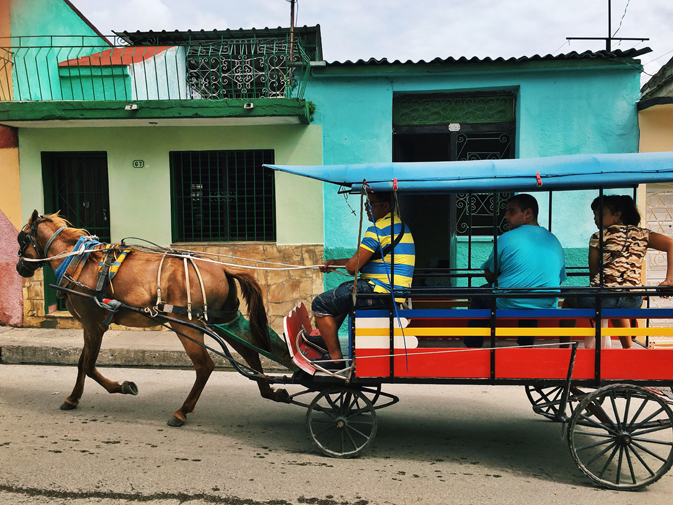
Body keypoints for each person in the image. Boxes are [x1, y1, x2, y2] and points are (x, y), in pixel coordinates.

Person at [312, 191, 415, 364]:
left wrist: (345, 265)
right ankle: (327, 341)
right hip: (392, 292)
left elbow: (353, 268)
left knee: (320, 303)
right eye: (366, 205)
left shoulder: (379, 229)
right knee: (342, 298)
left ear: (385, 206)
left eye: (371, 205)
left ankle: (335, 360)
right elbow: (359, 261)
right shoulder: (399, 226)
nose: (367, 209)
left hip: (379, 291)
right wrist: (334, 263)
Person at [561, 195, 673, 349]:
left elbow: (593, 273)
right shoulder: (644, 234)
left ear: (617, 215)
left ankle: (564, 349)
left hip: (604, 299)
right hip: (634, 300)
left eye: (601, 213)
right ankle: (627, 349)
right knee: (617, 300)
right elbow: (671, 244)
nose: (595, 218)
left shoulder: (598, 236)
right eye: (594, 214)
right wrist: (669, 279)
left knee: (569, 299)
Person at [465, 194, 567, 348]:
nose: (505, 216)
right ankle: (526, 345)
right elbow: (558, 279)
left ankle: (472, 346)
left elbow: (489, 277)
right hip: (546, 302)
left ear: (527, 214)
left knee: (479, 296)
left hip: (510, 300)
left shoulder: (507, 238)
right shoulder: (554, 240)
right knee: (531, 295)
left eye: (511, 212)